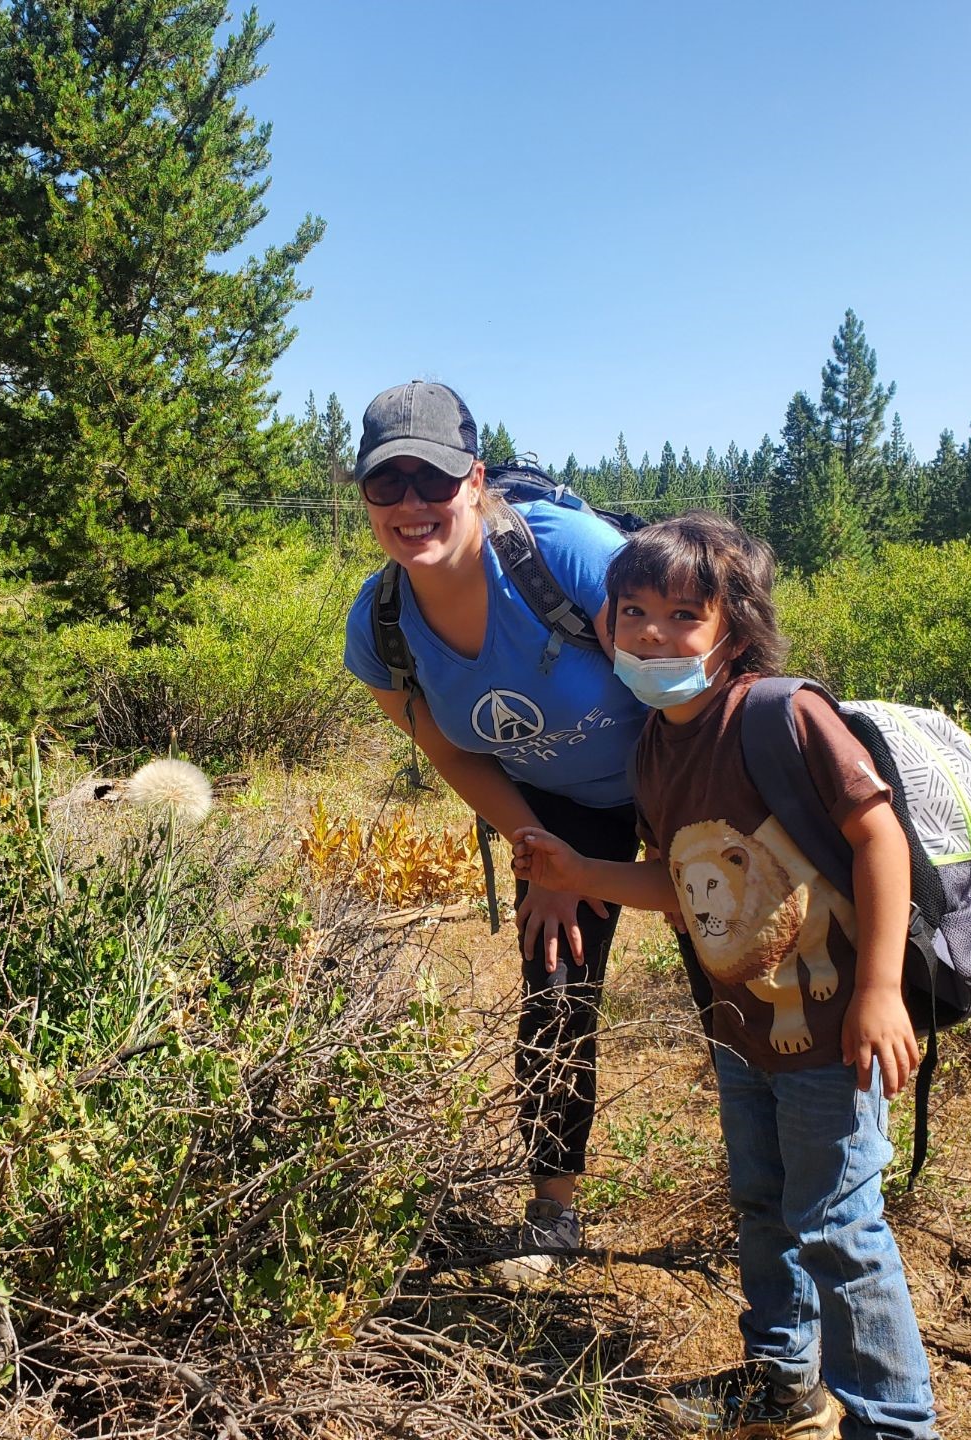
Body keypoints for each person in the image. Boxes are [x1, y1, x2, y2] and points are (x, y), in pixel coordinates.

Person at [509, 511, 938, 1440]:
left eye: (680, 615)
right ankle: (784, 1381)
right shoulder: (655, 748)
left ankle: (893, 1423)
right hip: (743, 1023)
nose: (651, 634)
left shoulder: (784, 714)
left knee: (838, 1228)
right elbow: (683, 877)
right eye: (631, 614)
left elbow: (878, 834)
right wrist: (578, 873)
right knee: (763, 1204)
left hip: (834, 1025)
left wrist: (878, 991)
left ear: (733, 631)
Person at [341, 380, 648, 1266]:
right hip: (554, 805)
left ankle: (786, 1197)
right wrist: (541, 855)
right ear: (362, 495)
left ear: (474, 480)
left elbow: (682, 685)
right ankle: (554, 1212)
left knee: (735, 975)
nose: (411, 505)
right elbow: (448, 748)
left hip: (674, 773)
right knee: (554, 991)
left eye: (432, 481)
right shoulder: (381, 624)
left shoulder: (568, 557)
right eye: (385, 484)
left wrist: (679, 844)